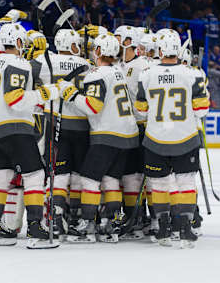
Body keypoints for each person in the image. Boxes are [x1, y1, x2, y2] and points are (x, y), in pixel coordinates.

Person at [0, 23, 59, 249]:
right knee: (35, 174)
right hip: (15, 127)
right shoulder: (18, 62)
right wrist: (46, 92)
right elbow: (16, 99)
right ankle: (35, 228)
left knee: (0, 176)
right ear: (19, 42)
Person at [59, 34, 139, 243]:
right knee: (111, 179)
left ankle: (87, 226)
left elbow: (93, 106)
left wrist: (71, 94)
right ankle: (111, 225)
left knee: (89, 179)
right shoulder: (119, 71)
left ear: (98, 52)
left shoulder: (97, 74)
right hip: (128, 134)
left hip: (108, 134)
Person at [135, 29, 209, 249]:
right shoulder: (193, 74)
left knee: (158, 184)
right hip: (185, 138)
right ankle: (185, 228)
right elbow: (202, 110)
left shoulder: (146, 74)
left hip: (155, 139)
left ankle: (163, 228)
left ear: (160, 49)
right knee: (185, 183)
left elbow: (141, 110)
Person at [30, 28, 91, 237]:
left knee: (58, 172)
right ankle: (74, 214)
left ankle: (55, 215)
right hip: (82, 124)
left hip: (55, 122)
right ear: (71, 45)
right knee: (78, 173)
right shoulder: (87, 64)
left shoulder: (47, 61)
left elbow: (29, 71)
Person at [114, 25, 149, 240]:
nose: (115, 41)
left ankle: (140, 217)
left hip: (140, 127)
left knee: (138, 176)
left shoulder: (143, 66)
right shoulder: (117, 64)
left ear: (128, 41)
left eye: (118, 38)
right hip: (122, 127)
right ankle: (131, 215)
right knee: (126, 176)